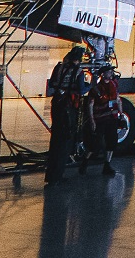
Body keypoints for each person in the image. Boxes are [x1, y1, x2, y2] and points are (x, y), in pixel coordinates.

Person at [44, 46, 86, 185]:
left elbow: (51, 84)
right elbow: (81, 89)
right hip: (68, 109)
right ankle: (58, 176)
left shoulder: (59, 68)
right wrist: (91, 85)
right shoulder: (79, 72)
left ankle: (50, 175)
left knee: (55, 140)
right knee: (64, 143)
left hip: (56, 105)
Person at [79, 67, 121, 176]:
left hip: (112, 119)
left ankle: (107, 165)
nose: (111, 73)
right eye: (108, 71)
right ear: (103, 74)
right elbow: (90, 105)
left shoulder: (114, 85)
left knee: (111, 142)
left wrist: (120, 114)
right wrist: (92, 120)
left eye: (111, 71)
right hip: (100, 120)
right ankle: (85, 161)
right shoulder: (96, 89)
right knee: (95, 144)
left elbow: (118, 99)